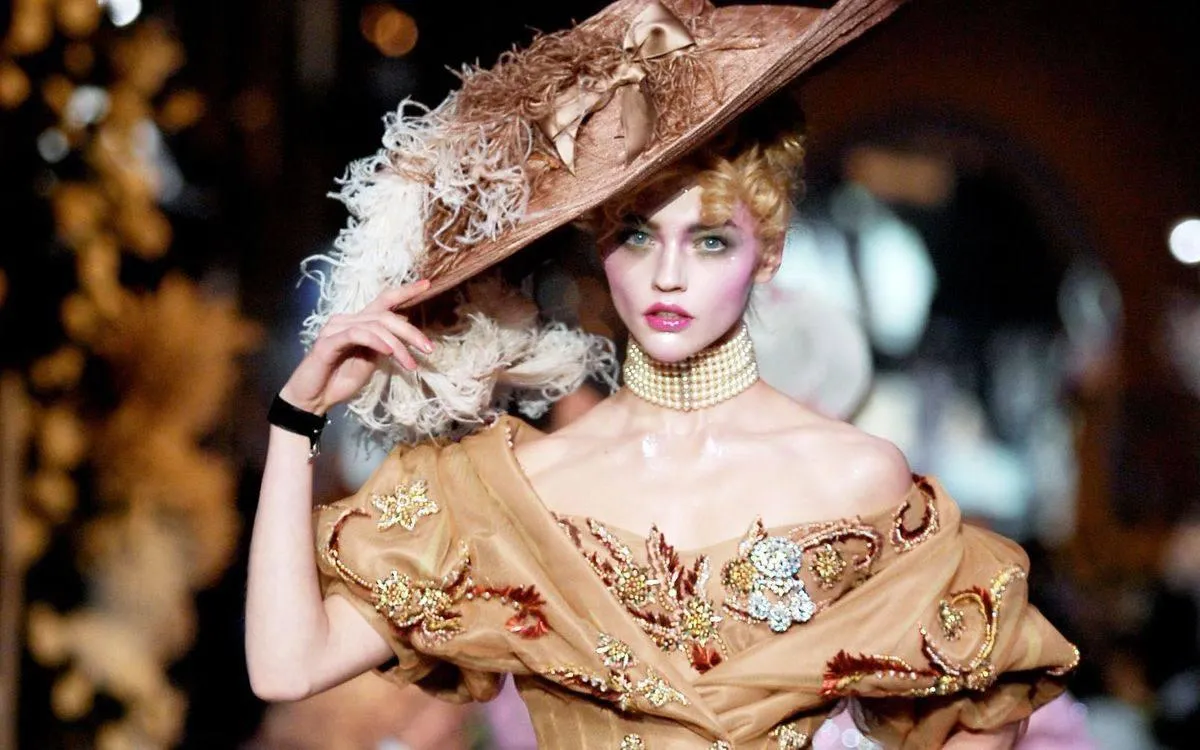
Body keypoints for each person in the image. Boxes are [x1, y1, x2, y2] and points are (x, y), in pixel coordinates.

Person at [245, 0, 1080, 747]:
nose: (668, 276)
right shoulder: (515, 488)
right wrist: (296, 419)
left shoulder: (854, 477)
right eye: (639, 235)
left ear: (770, 252)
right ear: (601, 241)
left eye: (710, 239)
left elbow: (985, 699)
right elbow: (286, 666)